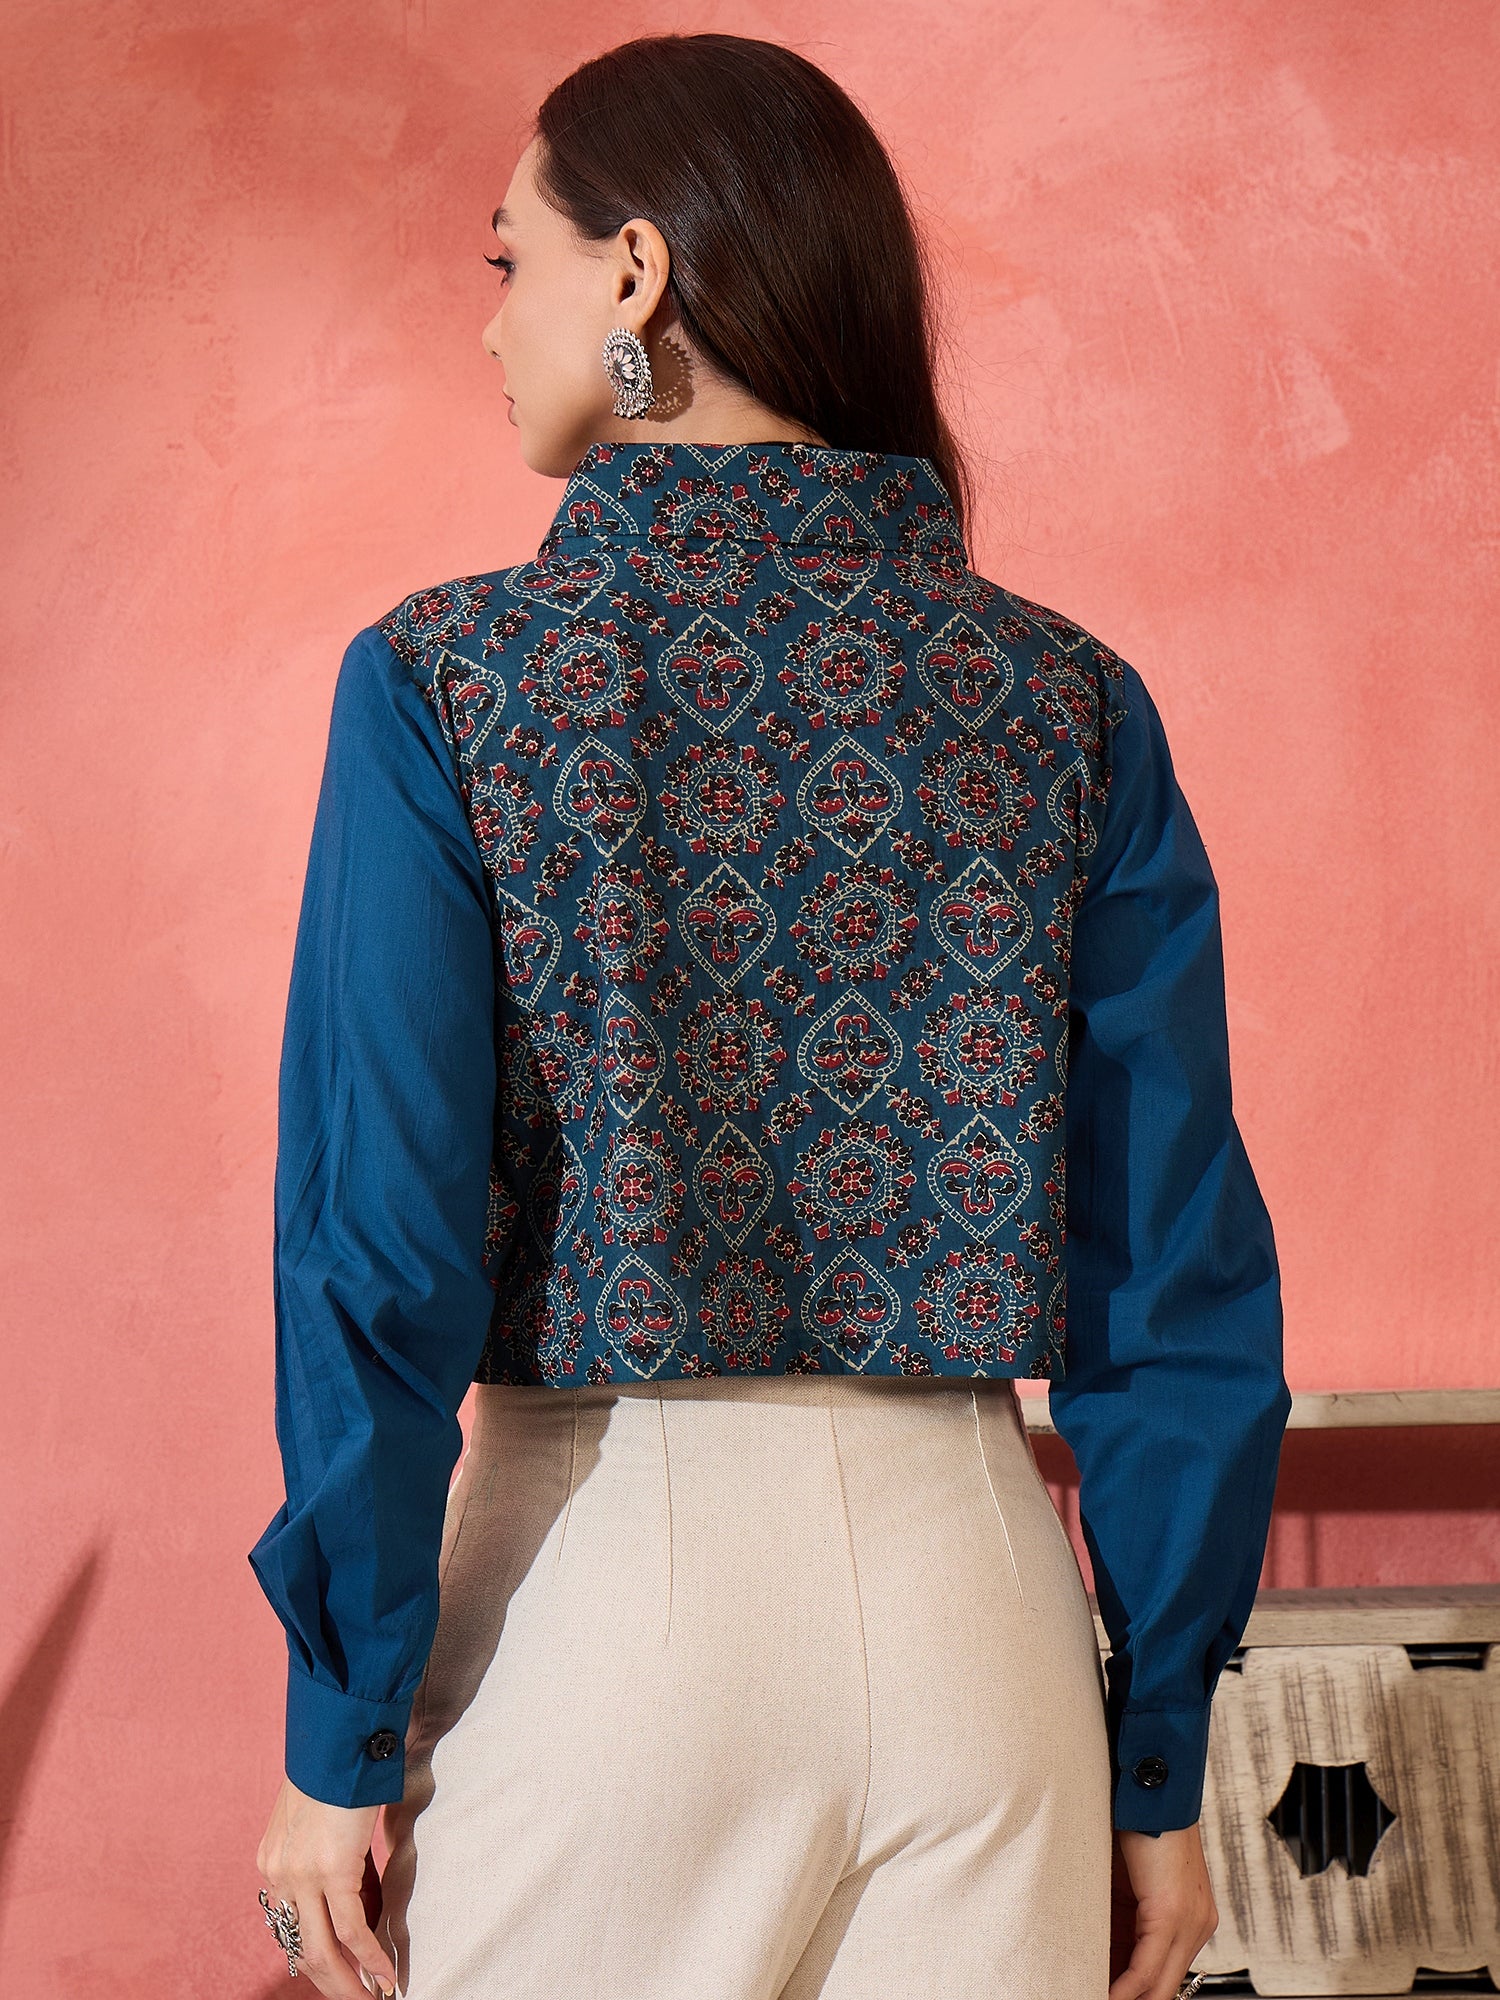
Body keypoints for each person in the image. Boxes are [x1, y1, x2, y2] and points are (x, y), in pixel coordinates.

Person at [249, 30, 1290, 2000]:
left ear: (636, 274)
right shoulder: (1067, 698)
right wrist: (1157, 1756)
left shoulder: (451, 680)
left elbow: (379, 1244)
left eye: (512, 262)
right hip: (983, 1620)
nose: (493, 324)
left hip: (604, 1614)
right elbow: (1172, 1272)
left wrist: (335, 1726)